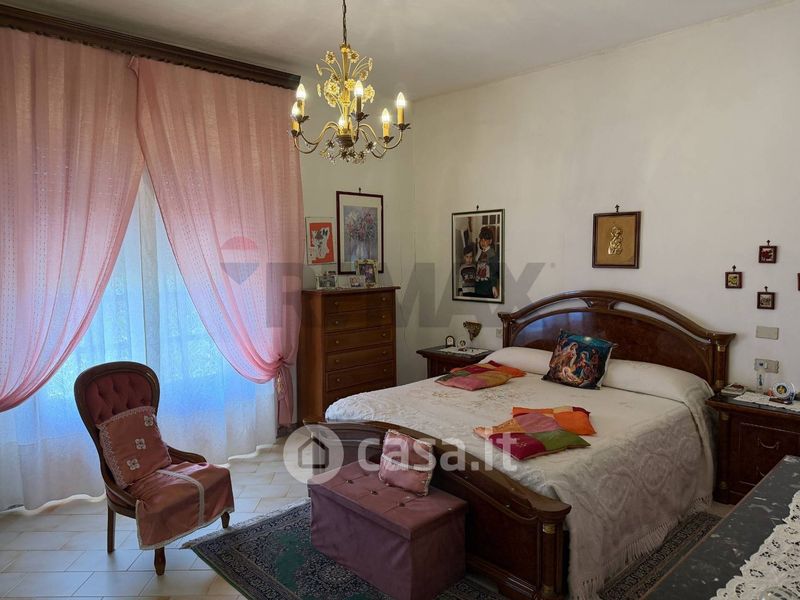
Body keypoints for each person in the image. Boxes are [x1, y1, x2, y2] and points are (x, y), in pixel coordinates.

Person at [474, 227, 499, 299]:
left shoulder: (492, 254)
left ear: (490, 241)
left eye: (485, 240)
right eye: (481, 240)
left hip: (487, 288)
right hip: (479, 287)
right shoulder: (481, 252)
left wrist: (494, 286)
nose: (483, 242)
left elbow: (494, 271)